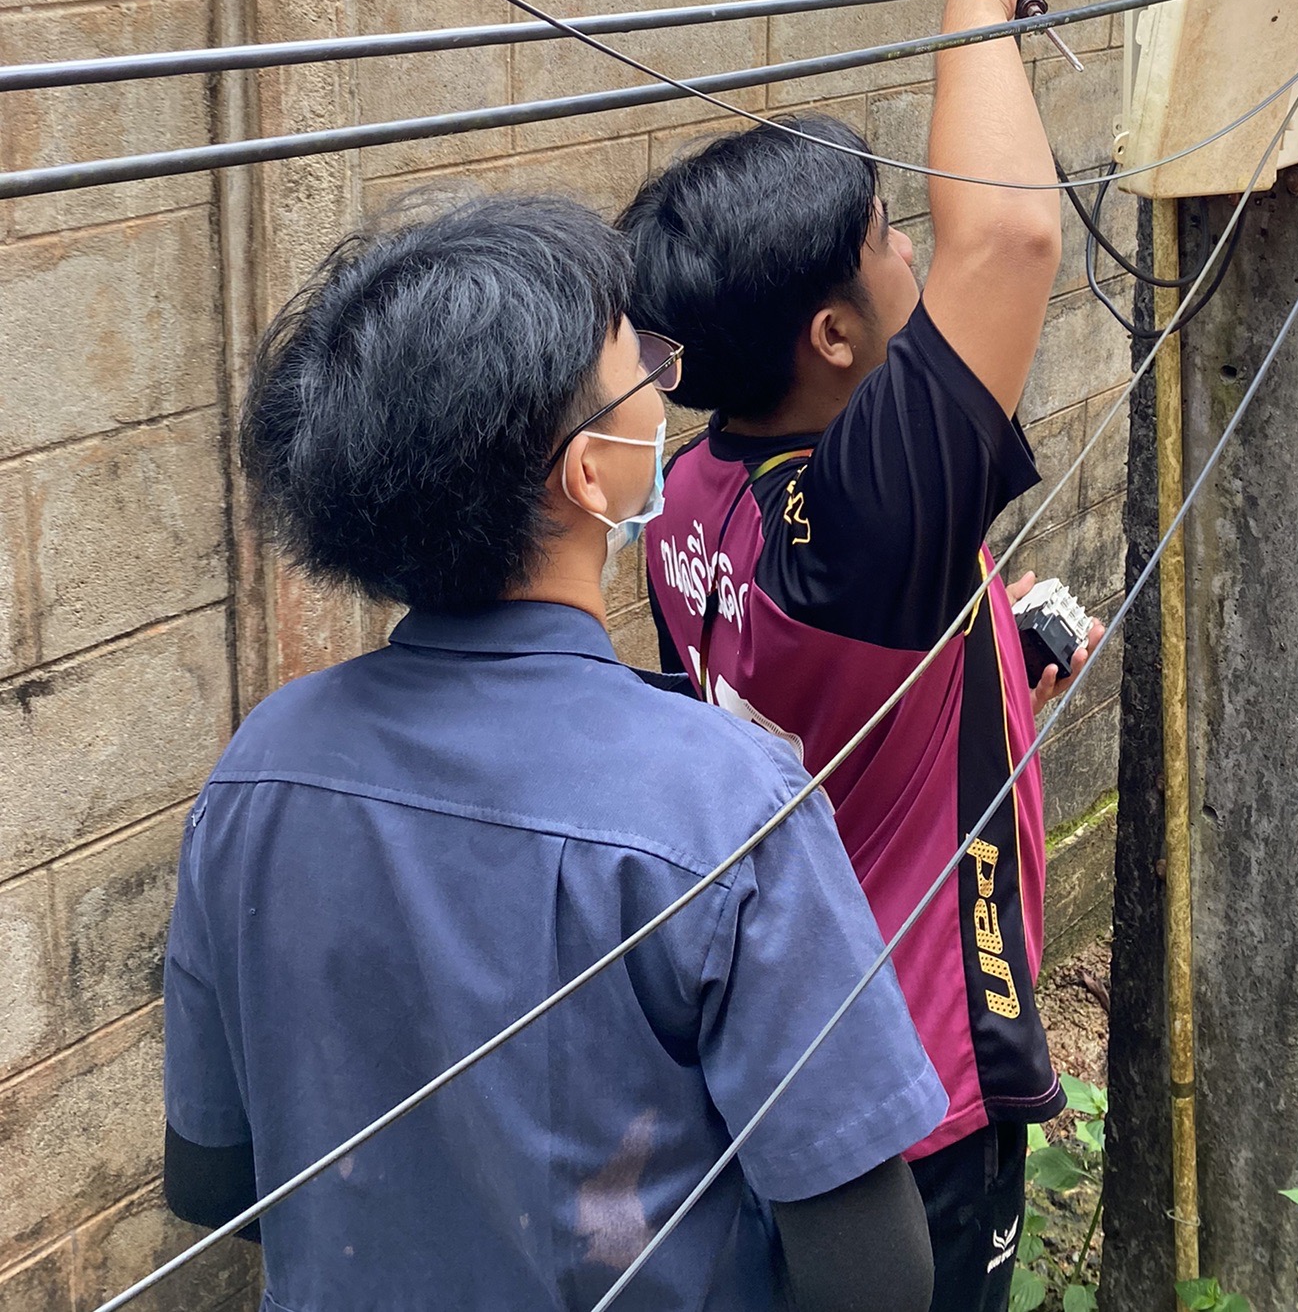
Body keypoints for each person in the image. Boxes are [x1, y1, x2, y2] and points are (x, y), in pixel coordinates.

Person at [161, 195, 945, 1312]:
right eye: (645, 368)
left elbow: (211, 1177)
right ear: (590, 474)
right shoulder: (725, 804)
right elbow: (875, 1278)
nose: (668, 389)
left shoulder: (258, 766)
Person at [622, 0, 1101, 1312]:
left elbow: (793, 719)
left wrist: (999, 659)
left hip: (777, 1052)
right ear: (832, 340)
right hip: (918, 1078)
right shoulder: (865, 528)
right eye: (888, 237)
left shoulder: (687, 494)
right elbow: (1009, 234)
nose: (912, 253)